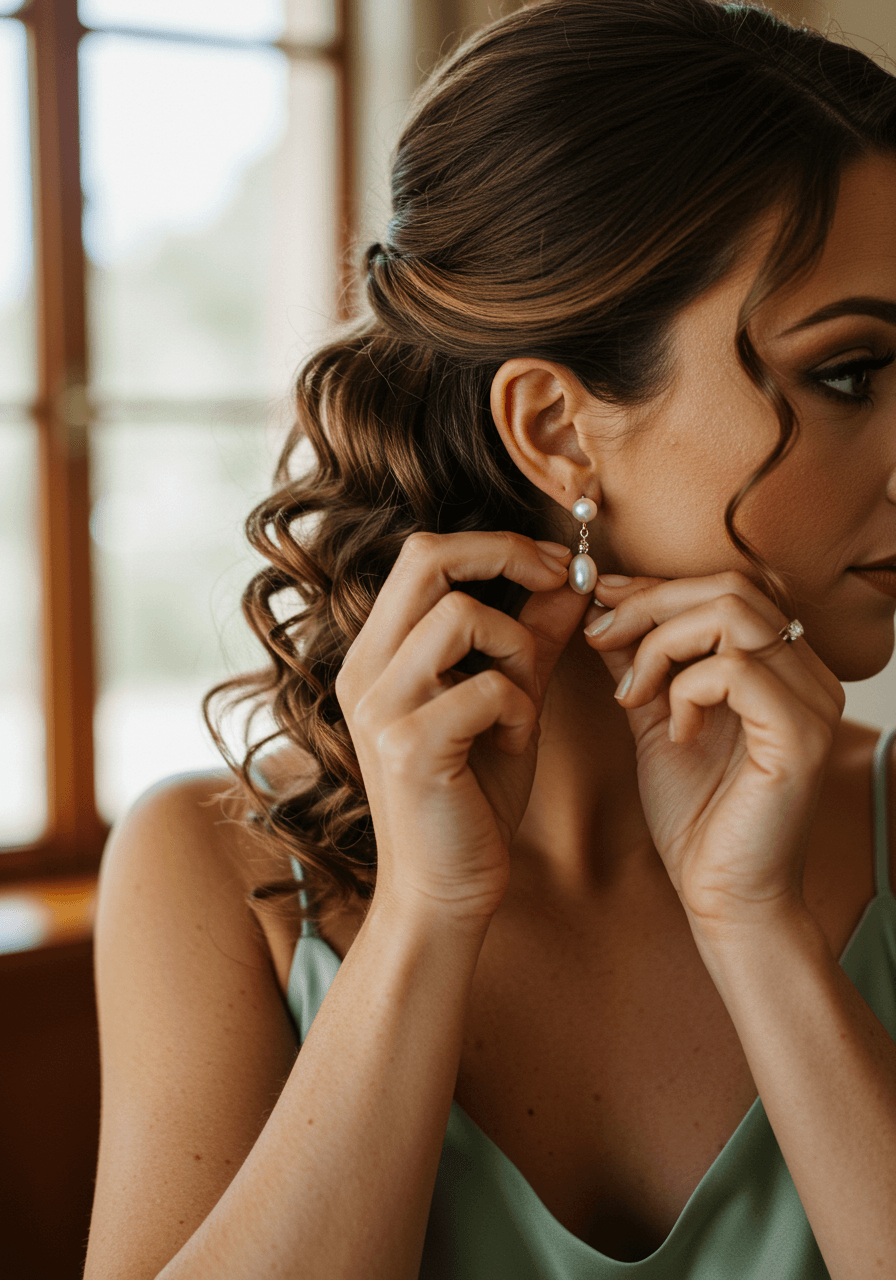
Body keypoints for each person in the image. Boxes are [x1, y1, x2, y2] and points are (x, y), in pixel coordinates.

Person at [83, 1, 896, 1276]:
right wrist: (420, 917)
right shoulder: (212, 872)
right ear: (558, 430)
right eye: (849, 372)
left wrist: (755, 926)